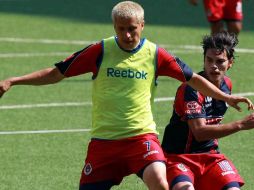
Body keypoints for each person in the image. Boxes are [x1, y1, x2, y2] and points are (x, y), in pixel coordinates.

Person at [0, 1, 253, 190]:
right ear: (114, 27)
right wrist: (14, 80)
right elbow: (57, 73)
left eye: (132, 29)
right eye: (121, 29)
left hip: (141, 138)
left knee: (161, 183)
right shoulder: (100, 50)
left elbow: (194, 79)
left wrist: (226, 98)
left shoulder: (156, 54)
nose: (127, 35)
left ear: (142, 25)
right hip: (104, 141)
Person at [161, 31, 254, 190]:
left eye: (220, 61)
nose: (214, 66)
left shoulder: (227, 85)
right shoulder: (190, 90)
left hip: (210, 157)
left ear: (230, 63)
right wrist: (240, 124)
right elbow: (200, 132)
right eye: (209, 60)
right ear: (203, 60)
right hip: (178, 158)